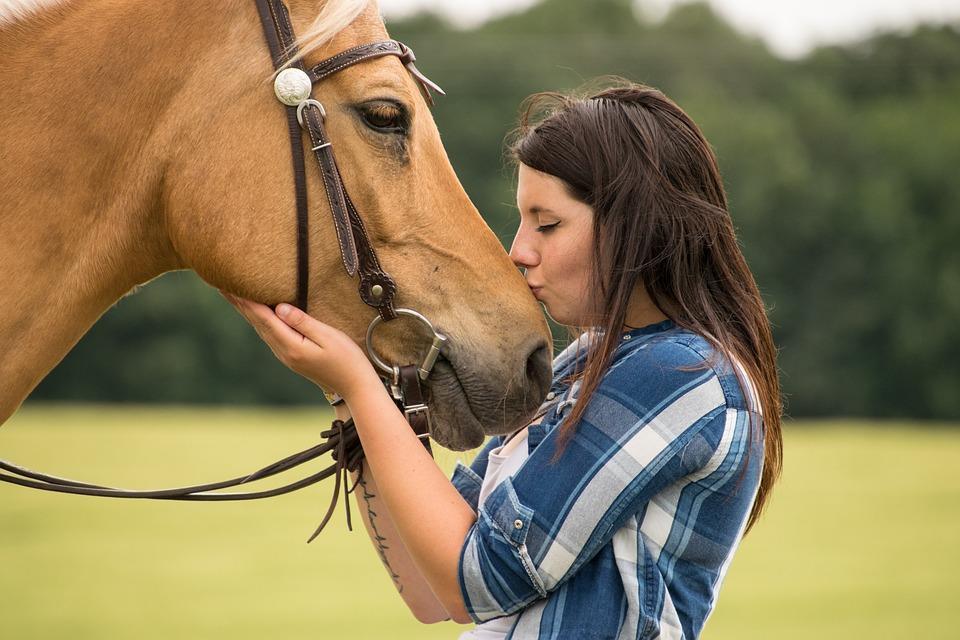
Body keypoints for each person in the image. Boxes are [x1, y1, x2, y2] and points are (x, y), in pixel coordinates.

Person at [224, 80, 783, 639]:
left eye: (548, 223)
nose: (519, 250)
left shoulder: (680, 375)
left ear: (636, 223)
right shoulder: (590, 363)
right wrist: (349, 392)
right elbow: (429, 588)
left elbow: (476, 580)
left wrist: (361, 387)